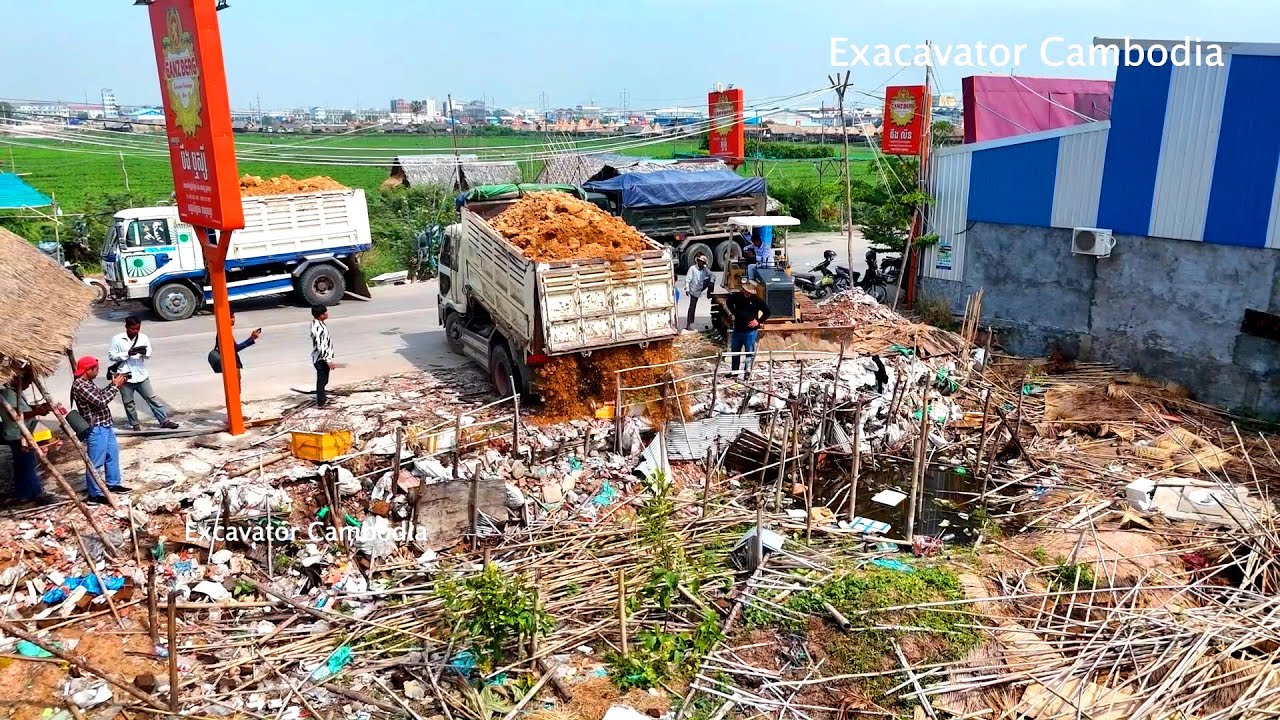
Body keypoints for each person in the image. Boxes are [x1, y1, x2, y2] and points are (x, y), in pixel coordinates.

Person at [70, 356, 133, 504]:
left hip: (105, 424)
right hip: (96, 428)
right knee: (95, 463)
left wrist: (113, 385)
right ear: (88, 369)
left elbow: (99, 395)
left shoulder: (87, 382)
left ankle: (113, 483)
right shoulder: (80, 385)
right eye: (96, 369)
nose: (98, 372)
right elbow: (100, 401)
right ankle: (95, 494)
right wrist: (115, 386)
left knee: (112, 455)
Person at [108, 316, 178, 431]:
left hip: (141, 375)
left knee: (152, 399)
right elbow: (112, 356)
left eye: (137, 329)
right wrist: (127, 353)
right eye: (133, 329)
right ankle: (135, 425)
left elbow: (149, 353)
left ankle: (164, 421)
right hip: (124, 377)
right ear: (127, 327)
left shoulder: (143, 338)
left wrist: (143, 353)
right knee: (128, 402)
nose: (135, 331)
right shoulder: (117, 339)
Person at [0, 366, 53, 504]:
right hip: (17, 434)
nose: (28, 386)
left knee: (24, 464)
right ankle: (34, 493)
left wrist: (39, 408)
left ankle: (24, 493)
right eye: (27, 383)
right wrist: (37, 412)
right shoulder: (6, 393)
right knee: (27, 463)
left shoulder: (16, 393)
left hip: (22, 432)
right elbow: (15, 415)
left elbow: (24, 409)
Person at [720, 280, 771, 377]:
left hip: (750, 332)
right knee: (735, 352)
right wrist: (732, 313)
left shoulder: (757, 300)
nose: (746, 293)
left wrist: (758, 321)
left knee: (749, 353)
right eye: (745, 290)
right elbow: (728, 302)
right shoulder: (737, 297)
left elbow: (767, 312)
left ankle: (747, 373)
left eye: (749, 292)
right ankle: (735, 372)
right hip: (737, 330)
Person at [212, 312, 263, 387]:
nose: (233, 320)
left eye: (234, 317)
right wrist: (252, 338)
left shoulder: (223, 331)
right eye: (231, 317)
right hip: (231, 364)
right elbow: (234, 348)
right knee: (235, 386)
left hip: (231, 363)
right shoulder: (224, 332)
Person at [310, 305, 335, 407]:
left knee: (324, 380)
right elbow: (321, 346)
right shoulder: (318, 328)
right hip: (320, 359)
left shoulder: (318, 323)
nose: (327, 314)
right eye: (325, 312)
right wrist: (328, 361)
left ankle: (322, 398)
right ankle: (321, 402)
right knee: (322, 380)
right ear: (321, 315)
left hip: (322, 358)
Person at [683, 254, 713, 331]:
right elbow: (688, 279)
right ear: (698, 261)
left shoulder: (704, 269)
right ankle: (689, 324)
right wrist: (687, 288)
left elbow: (711, 275)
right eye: (700, 261)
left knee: (711, 279)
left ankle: (709, 293)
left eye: (703, 262)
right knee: (692, 306)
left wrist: (711, 283)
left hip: (700, 287)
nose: (701, 263)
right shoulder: (692, 268)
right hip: (694, 289)